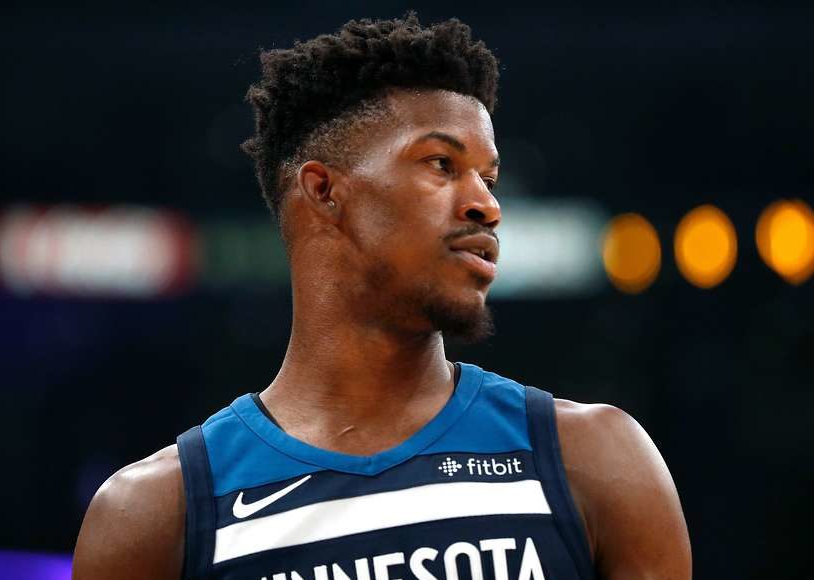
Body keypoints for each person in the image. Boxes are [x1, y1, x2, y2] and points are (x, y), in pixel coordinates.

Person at [73, 15, 691, 580]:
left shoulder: (595, 460)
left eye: (488, 177)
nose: (487, 204)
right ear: (324, 191)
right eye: (442, 164)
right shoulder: (156, 515)